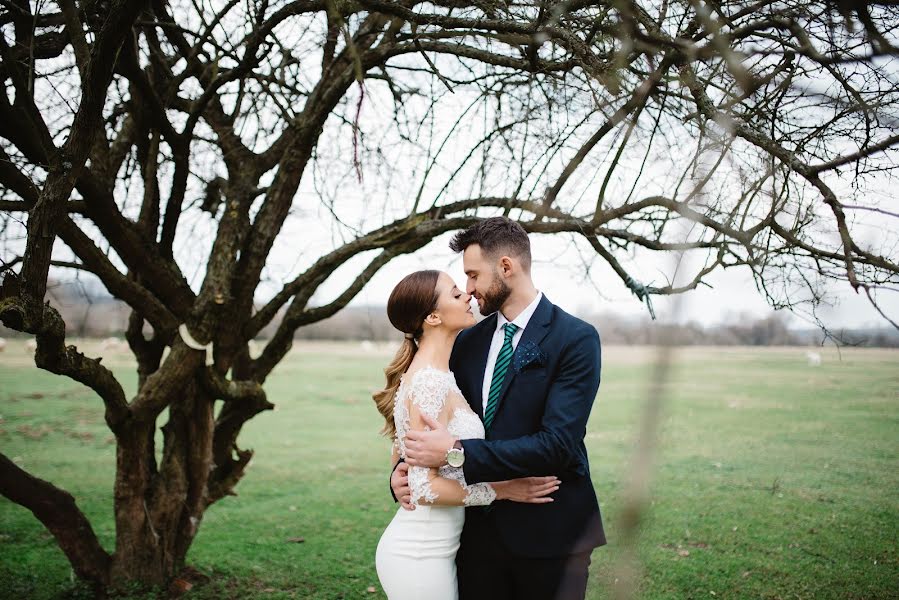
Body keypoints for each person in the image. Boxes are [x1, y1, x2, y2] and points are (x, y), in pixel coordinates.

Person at [393, 217, 606, 600]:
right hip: (474, 540)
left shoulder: (575, 339)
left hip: (551, 535)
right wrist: (400, 474)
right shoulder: (466, 341)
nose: (469, 290)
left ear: (507, 267)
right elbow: (426, 414)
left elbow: (558, 445)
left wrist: (457, 453)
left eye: (473, 276)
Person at [374, 269, 562, 600]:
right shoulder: (428, 382)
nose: (467, 295)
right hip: (420, 553)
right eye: (455, 292)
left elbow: (401, 452)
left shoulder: (441, 373)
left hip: (441, 549)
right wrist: (503, 490)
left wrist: (399, 473)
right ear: (432, 316)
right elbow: (422, 486)